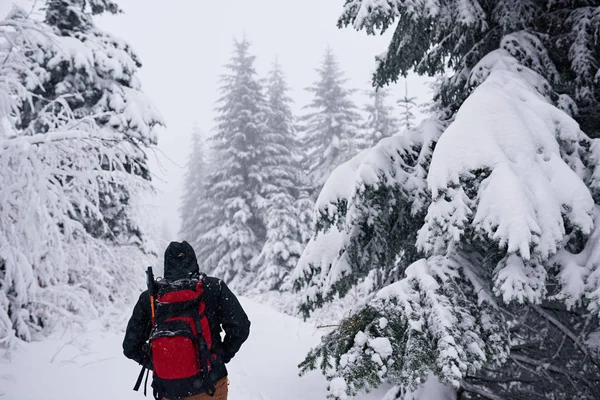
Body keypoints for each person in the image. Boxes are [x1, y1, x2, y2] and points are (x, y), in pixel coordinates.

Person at [123, 241, 251, 400]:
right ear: (194, 260)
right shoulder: (213, 287)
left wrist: (163, 364)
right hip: (211, 386)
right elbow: (241, 327)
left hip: (168, 391)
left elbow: (130, 347)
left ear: (166, 264)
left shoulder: (150, 298)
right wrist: (220, 356)